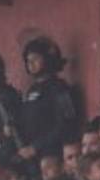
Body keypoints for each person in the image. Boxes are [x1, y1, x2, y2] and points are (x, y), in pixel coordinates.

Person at [17, 35, 81, 171]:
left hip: (53, 155)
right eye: (28, 61)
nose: (31, 64)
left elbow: (67, 124)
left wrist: (36, 147)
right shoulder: (31, 90)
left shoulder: (59, 88)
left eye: (36, 59)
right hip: (31, 156)